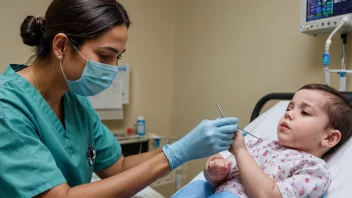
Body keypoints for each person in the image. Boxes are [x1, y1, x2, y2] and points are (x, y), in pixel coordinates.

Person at [0, 0, 239, 197]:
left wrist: (184, 145)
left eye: (118, 57)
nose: (113, 69)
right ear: (61, 46)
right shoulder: (7, 107)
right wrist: (177, 155)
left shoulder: (74, 99)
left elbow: (118, 167)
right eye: (105, 56)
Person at [174, 84, 352, 198]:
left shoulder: (314, 169)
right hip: (218, 193)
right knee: (199, 186)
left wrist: (241, 151)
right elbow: (218, 180)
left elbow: (269, 196)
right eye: (289, 108)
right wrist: (215, 171)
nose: (289, 113)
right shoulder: (260, 145)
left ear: (329, 138)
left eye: (304, 112)